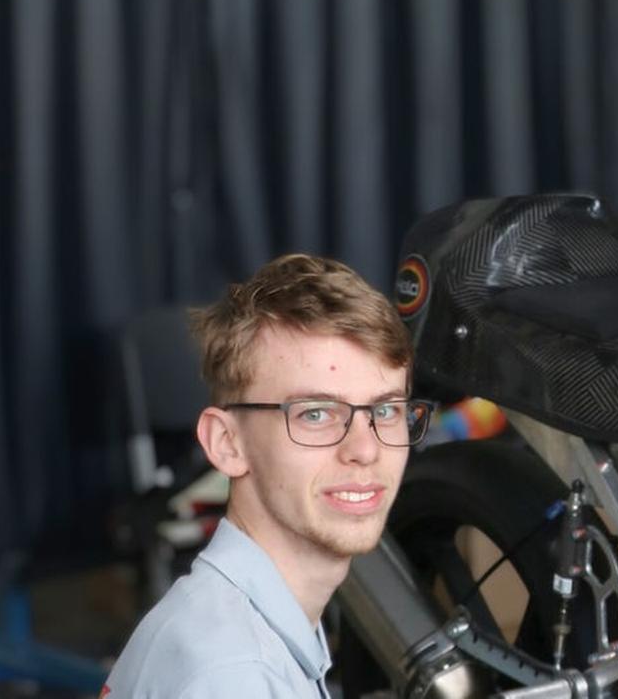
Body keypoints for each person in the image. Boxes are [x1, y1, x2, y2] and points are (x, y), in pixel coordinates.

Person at [104, 254, 432, 698]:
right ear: (226, 443)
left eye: (386, 410)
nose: (365, 450)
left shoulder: (247, 630)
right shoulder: (235, 675)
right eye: (316, 413)